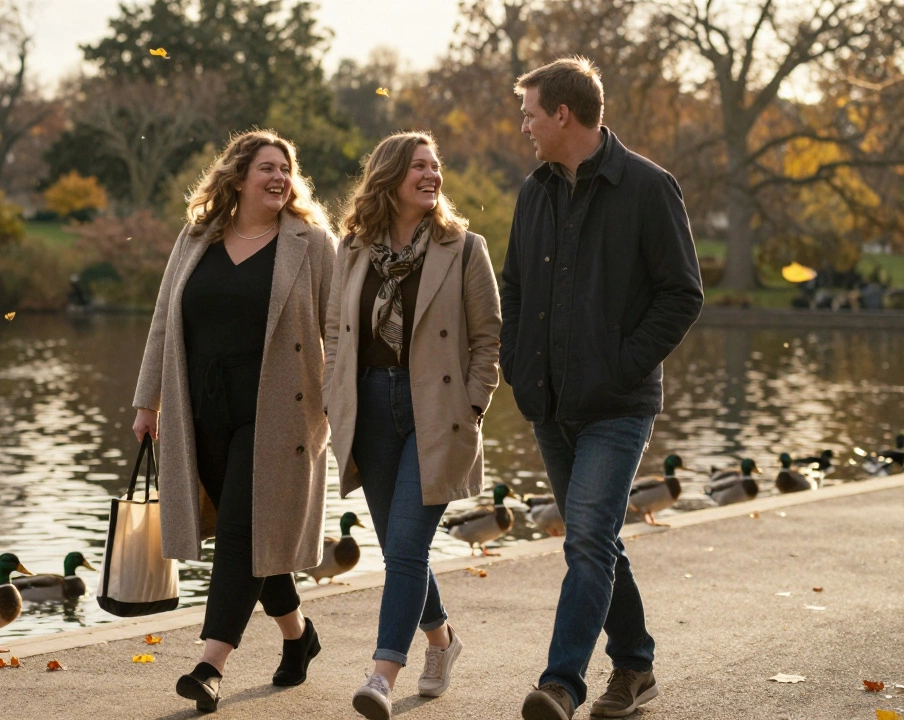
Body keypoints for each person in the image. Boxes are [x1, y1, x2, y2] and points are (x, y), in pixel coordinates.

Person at [501, 57, 703, 720]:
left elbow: (681, 294)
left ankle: (561, 683)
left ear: (563, 113)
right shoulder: (535, 191)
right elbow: (517, 287)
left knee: (586, 539)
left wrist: (621, 366)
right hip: (548, 403)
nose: (525, 125)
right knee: (600, 540)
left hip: (616, 405)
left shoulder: (648, 187)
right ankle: (637, 664)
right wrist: (518, 367)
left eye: (531, 111)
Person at [132, 130, 337, 714]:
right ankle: (300, 638)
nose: (280, 178)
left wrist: (344, 404)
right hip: (202, 409)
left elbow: (339, 328)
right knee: (252, 535)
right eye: (268, 167)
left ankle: (209, 664)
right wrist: (148, 403)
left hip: (282, 415)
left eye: (287, 169)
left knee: (246, 529)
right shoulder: (196, 238)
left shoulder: (312, 243)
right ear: (238, 176)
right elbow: (162, 323)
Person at [323, 131, 502, 720]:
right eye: (419, 166)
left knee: (403, 547)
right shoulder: (351, 248)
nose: (432, 175)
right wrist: (334, 399)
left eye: (435, 166)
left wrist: (472, 407)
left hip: (437, 412)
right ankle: (443, 644)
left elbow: (488, 339)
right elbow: (334, 335)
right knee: (405, 549)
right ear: (390, 176)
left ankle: (380, 675)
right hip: (367, 410)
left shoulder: (463, 247)